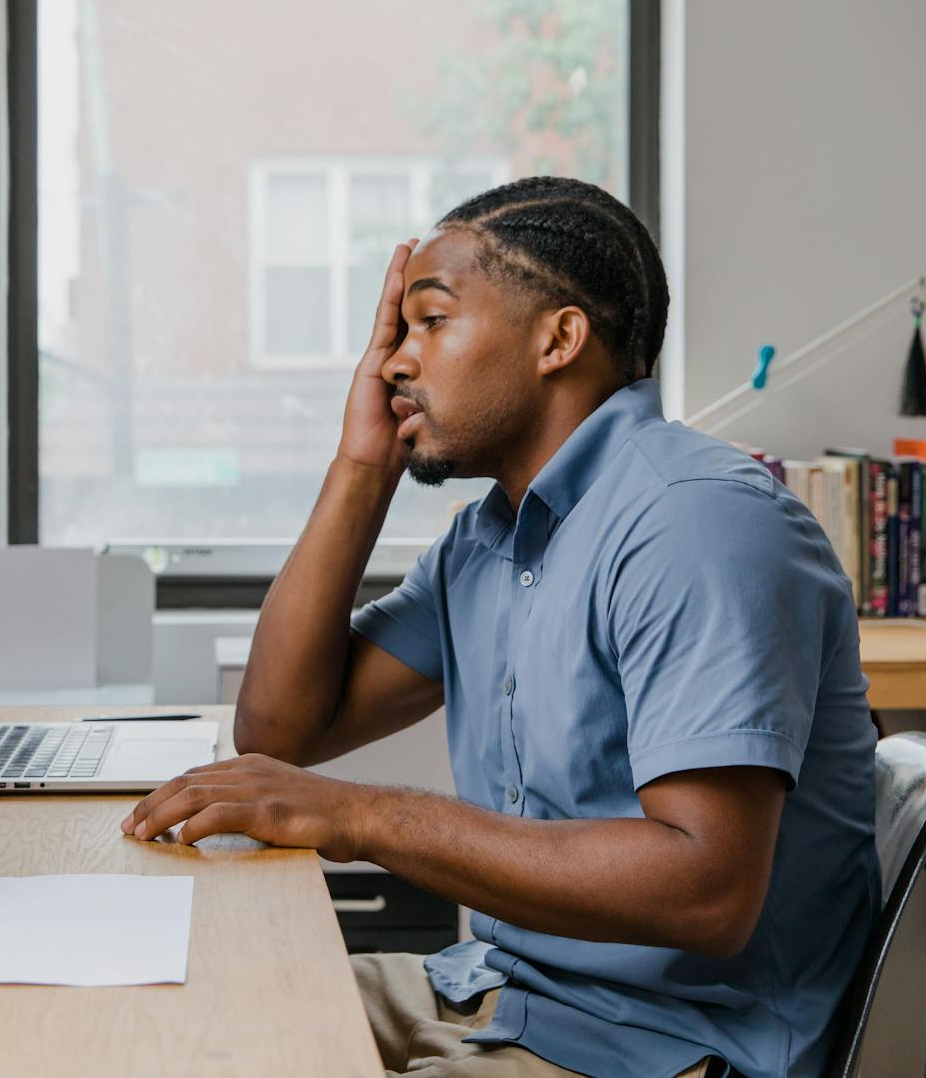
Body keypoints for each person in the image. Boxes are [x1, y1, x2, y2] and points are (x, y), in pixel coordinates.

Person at [122, 177, 878, 1078]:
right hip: (500, 990)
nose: (396, 362)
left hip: (663, 1045)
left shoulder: (693, 523)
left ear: (559, 338)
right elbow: (282, 729)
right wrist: (362, 466)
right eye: (397, 333)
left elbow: (707, 890)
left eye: (431, 322)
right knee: (162, 1018)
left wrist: (365, 816)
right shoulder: (492, 540)